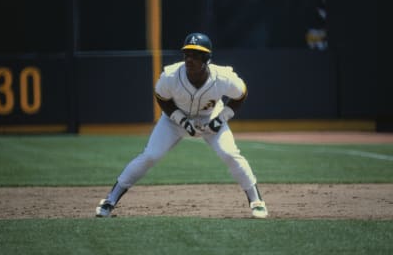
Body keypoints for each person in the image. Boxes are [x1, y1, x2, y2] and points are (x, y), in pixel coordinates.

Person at [95, 32, 268, 218]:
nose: (189, 59)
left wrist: (221, 118)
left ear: (207, 58)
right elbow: (162, 98)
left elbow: (241, 94)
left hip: (210, 118)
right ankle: (110, 200)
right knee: (150, 156)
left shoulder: (223, 77)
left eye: (196, 54)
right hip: (173, 121)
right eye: (187, 54)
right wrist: (181, 120)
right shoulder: (171, 75)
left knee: (230, 154)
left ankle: (256, 201)